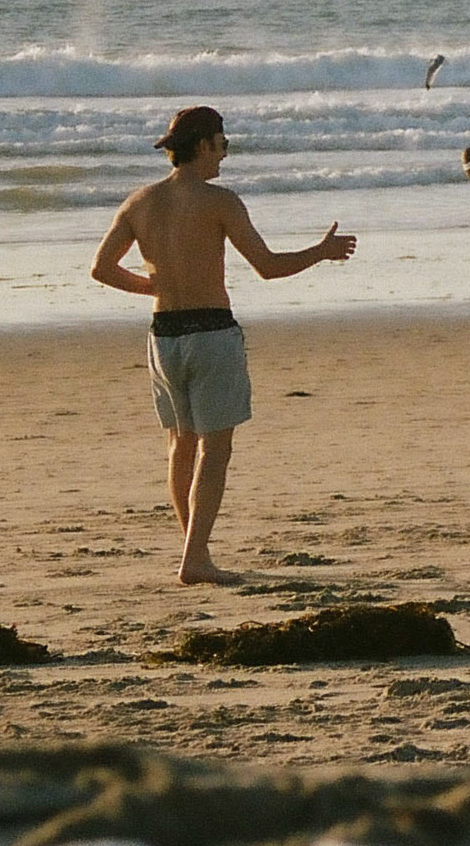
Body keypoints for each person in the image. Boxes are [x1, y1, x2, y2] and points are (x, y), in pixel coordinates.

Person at [91, 106, 356, 585]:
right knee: (215, 449)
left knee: (180, 443)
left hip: (164, 336)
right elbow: (268, 267)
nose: (226, 153)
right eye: (223, 143)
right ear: (204, 145)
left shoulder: (139, 202)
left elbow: (102, 269)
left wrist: (152, 287)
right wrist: (321, 251)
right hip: (211, 332)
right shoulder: (220, 201)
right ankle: (195, 560)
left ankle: (195, 550)